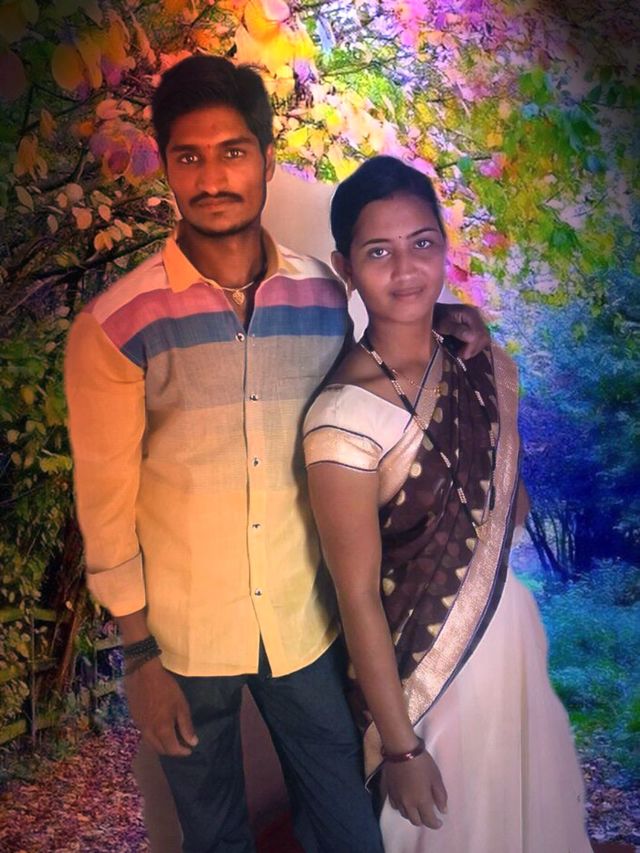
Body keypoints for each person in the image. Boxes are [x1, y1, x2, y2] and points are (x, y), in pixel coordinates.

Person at [64, 56, 488, 853]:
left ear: (264, 158)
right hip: (183, 639)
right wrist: (140, 655)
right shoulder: (118, 325)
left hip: (305, 624)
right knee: (213, 836)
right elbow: (106, 506)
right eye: (189, 156)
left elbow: (388, 334)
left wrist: (455, 320)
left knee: (347, 828)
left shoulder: (323, 296)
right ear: (167, 166)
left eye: (232, 152)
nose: (212, 177)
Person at [303, 156, 593, 853]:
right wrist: (401, 747)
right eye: (379, 252)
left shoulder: (481, 363)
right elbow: (357, 597)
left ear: (443, 244)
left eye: (422, 243)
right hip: (422, 681)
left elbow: (511, 511)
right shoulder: (343, 415)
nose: (406, 270)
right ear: (346, 268)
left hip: (508, 638)